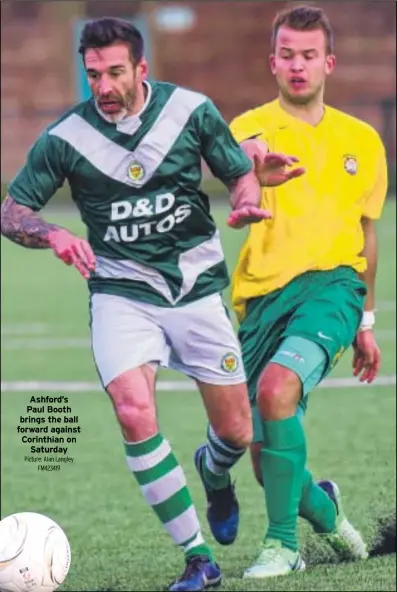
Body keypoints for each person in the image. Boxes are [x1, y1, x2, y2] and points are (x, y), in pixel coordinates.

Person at [0, 17, 303, 592]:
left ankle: (214, 472)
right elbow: (11, 212)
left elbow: (239, 172)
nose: (105, 86)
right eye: (93, 75)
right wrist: (54, 235)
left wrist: (243, 202)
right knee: (133, 411)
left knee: (239, 432)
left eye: (116, 72)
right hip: (121, 292)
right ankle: (198, 558)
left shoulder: (190, 110)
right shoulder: (66, 137)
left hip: (195, 287)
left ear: (142, 68)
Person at [200, 4, 388, 579]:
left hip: (333, 290)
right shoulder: (247, 130)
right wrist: (250, 176)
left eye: (309, 55)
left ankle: (284, 547)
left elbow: (366, 236)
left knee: (278, 390)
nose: (298, 65)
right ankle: (327, 512)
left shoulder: (364, 141)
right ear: (273, 63)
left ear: (328, 62)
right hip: (261, 303)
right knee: (265, 457)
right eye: (288, 55)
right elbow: (228, 176)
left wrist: (366, 320)